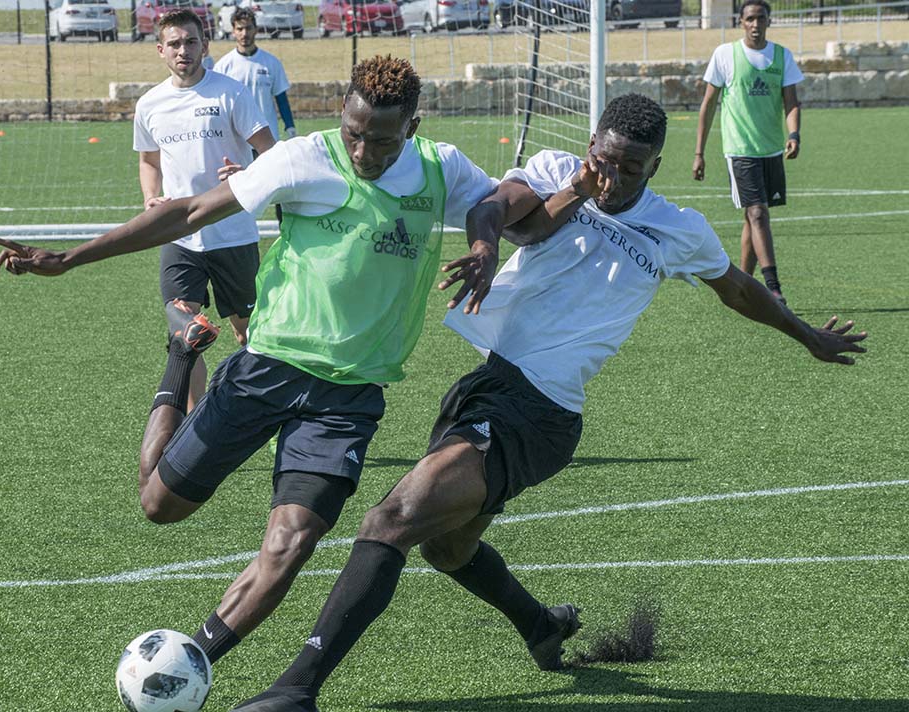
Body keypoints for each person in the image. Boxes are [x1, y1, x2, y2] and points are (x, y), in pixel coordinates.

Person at [231, 93, 866, 712]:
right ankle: (541, 625)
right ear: (592, 144)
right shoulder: (556, 172)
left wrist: (807, 335)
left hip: (542, 412)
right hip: (484, 386)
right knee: (446, 549)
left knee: (390, 519)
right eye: (607, 160)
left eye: (631, 169)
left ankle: (296, 689)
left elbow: (737, 290)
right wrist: (487, 245)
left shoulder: (680, 229)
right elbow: (496, 211)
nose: (613, 178)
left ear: (655, 168)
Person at [0, 56, 528, 678]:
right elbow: (190, 212)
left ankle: (191, 663)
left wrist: (485, 238)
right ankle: (180, 358)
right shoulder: (304, 157)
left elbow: (503, 197)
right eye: (354, 130)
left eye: (381, 139)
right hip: (265, 368)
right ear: (342, 115)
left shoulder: (439, 167)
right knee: (159, 505)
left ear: (413, 125)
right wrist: (70, 258)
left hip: (347, 399)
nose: (363, 148)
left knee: (292, 543)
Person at [135, 8, 275, 409]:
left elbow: (271, 152)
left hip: (232, 233)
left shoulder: (230, 92)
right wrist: (151, 197)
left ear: (205, 46)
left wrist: (247, 171)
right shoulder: (150, 104)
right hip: (179, 235)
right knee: (184, 334)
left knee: (249, 333)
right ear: (161, 50)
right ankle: (197, 424)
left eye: (191, 42)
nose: (183, 50)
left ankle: (261, 409)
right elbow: (148, 160)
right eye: (175, 44)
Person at [693, 0, 803, 305]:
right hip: (739, 150)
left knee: (752, 218)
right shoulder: (725, 55)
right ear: (741, 22)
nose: (756, 24)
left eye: (761, 18)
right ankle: (773, 288)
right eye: (750, 18)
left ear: (769, 21)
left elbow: (791, 101)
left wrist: (794, 134)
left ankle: (741, 285)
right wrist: (698, 153)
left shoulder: (782, 56)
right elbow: (708, 105)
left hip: (771, 150)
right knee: (757, 213)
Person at [214, 8, 297, 142]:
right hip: (237, 140)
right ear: (233, 31)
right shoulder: (223, 66)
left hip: (267, 137)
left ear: (256, 29)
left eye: (248, 28)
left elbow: (281, 99)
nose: (244, 33)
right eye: (240, 29)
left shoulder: (271, 63)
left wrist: (290, 126)